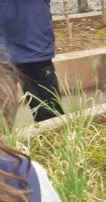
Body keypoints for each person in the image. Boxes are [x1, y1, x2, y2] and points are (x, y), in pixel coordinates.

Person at [0, 61, 62, 202]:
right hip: (31, 57)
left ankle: (54, 148)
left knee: (48, 112)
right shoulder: (24, 174)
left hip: (33, 57)